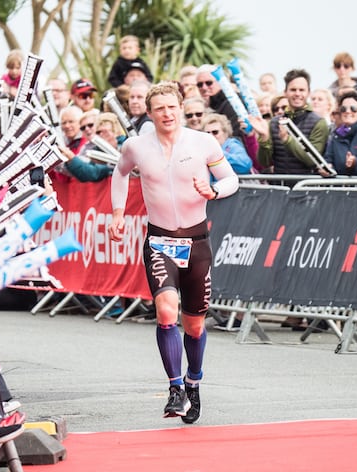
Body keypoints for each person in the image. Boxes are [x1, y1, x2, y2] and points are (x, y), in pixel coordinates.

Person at [109, 82, 238, 423]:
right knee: (166, 311)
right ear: (149, 113)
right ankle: (175, 386)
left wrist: (213, 190)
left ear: (181, 107)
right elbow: (119, 174)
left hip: (196, 242)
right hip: (160, 240)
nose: (167, 114)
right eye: (160, 108)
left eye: (172, 107)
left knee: (194, 325)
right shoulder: (136, 146)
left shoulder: (203, 142)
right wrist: (118, 213)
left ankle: (194, 381)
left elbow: (232, 179)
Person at [251, 69, 328, 176]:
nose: (297, 94)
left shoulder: (319, 122)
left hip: (307, 188)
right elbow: (265, 162)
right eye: (293, 89)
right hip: (280, 187)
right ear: (285, 92)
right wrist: (264, 138)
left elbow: (312, 161)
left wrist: (287, 140)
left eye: (301, 90)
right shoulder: (274, 122)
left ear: (308, 93)